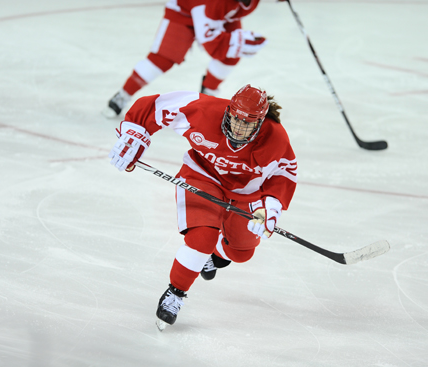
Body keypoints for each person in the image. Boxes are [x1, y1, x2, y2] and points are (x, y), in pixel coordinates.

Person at [108, 84, 297, 330]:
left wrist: (270, 206)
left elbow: (284, 174)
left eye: (247, 123)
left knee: (242, 253)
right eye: (235, 118)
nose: (238, 127)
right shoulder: (205, 110)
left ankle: (216, 253)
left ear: (259, 123)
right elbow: (153, 106)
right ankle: (175, 293)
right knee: (202, 237)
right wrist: (135, 135)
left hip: (245, 193)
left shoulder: (275, 137)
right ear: (229, 110)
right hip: (202, 177)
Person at [102, 0, 268, 118]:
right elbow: (210, 41)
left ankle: (208, 95)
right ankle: (122, 96)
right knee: (162, 59)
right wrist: (238, 41)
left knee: (230, 56)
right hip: (184, 12)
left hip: (223, 15)